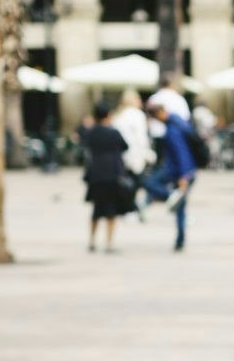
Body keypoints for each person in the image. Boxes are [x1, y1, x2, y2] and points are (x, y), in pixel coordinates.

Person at [143, 100, 197, 252]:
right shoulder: (178, 122)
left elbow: (182, 154)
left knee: (150, 183)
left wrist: (184, 176)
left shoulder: (173, 129)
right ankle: (180, 239)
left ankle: (170, 195)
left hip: (178, 171)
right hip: (184, 170)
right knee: (180, 206)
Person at [81, 101, 132, 253]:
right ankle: (109, 243)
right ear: (108, 115)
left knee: (97, 210)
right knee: (111, 211)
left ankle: (92, 241)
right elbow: (125, 147)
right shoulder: (113, 133)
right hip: (112, 174)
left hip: (95, 174)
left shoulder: (91, 132)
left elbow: (85, 145)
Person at [112, 89, 154, 216]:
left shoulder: (119, 115)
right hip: (135, 154)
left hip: (122, 155)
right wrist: (147, 153)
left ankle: (127, 208)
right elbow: (141, 138)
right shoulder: (137, 115)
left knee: (126, 183)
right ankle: (134, 208)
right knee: (137, 183)